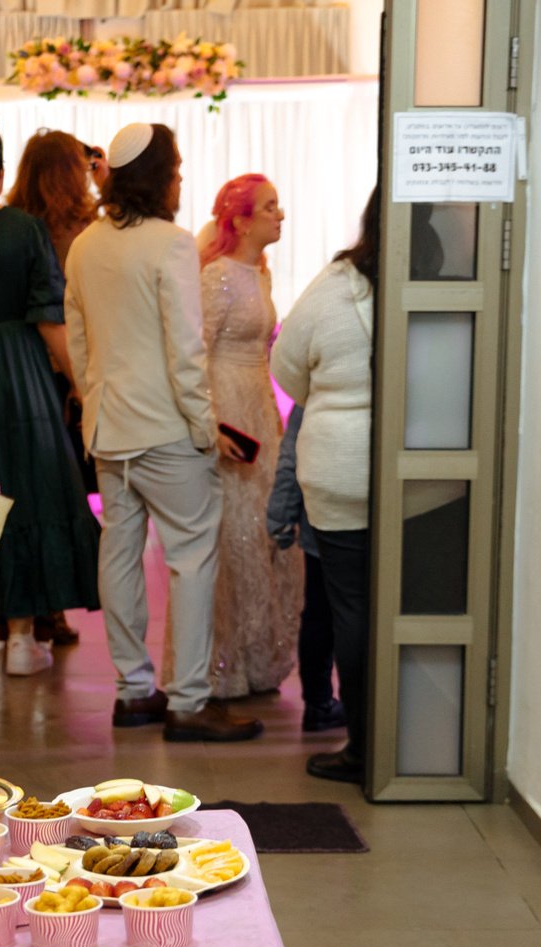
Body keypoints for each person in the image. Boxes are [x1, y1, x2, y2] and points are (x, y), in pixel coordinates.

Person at [65, 122, 262, 743]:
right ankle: (189, 702)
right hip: (168, 431)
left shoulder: (84, 245)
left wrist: (94, 409)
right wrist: (203, 427)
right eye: (175, 170)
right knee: (192, 559)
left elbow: (79, 343)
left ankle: (133, 691)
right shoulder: (171, 244)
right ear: (157, 178)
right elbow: (186, 348)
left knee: (120, 556)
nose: (180, 180)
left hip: (109, 428)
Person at [0, 105, 102, 676]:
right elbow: (50, 322)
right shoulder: (25, 230)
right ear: (0, 164)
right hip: (21, 378)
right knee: (28, 496)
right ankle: (19, 639)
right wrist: (83, 388)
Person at [271, 186, 378, 783]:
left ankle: (362, 749)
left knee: (350, 610)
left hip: (340, 471)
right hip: (430, 473)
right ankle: (410, 742)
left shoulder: (338, 283)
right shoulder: (443, 282)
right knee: (411, 608)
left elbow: (286, 363)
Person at [199, 174, 303, 700]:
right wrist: (211, 421)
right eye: (269, 207)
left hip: (259, 404)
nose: (279, 215)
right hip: (228, 407)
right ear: (239, 221)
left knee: (266, 528)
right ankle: (225, 663)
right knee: (236, 532)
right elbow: (196, 352)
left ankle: (262, 657)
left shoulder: (259, 273)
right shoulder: (217, 275)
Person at [7, 126, 103, 548]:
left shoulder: (14, 225)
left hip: (24, 359)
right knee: (67, 478)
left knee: (30, 473)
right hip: (72, 357)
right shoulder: (86, 230)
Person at [265, 403, 346, 731]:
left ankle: (318, 702)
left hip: (321, 513)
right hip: (374, 517)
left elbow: (292, 457)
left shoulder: (313, 390)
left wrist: (281, 518)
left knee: (319, 614)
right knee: (356, 617)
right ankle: (363, 706)